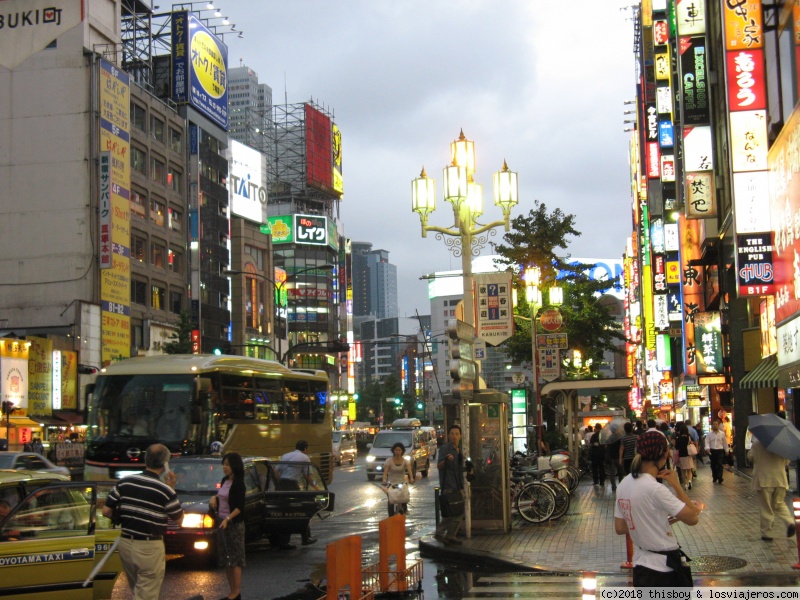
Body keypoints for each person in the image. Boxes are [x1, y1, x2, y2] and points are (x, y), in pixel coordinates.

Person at [614, 431, 701, 587]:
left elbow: (620, 527)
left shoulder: (624, 484)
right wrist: (676, 485)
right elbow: (693, 518)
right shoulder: (655, 489)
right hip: (664, 569)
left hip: (641, 565)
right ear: (664, 453)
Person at [102, 444, 183, 600]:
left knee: (137, 590)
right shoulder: (164, 490)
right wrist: (172, 488)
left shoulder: (125, 482)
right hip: (149, 547)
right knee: (147, 593)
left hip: (126, 543)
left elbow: (106, 511)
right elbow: (179, 519)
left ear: (145, 460)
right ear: (165, 463)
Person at [750, 412, 796, 542]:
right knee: (779, 504)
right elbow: (787, 461)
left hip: (763, 480)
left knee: (766, 507)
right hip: (780, 479)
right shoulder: (783, 445)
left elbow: (751, 457)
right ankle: (789, 522)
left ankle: (767, 532)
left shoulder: (757, 444)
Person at [209, 453, 245, 600]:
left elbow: (239, 507)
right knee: (226, 559)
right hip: (222, 522)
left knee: (235, 559)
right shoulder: (225, 480)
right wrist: (214, 497)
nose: (225, 467)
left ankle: (236, 592)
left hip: (234, 525)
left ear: (234, 466)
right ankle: (231, 591)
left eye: (228, 465)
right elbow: (221, 497)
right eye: (224, 464)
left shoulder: (239, 483)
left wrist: (228, 519)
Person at [278, 440, 317, 546]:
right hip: (292, 486)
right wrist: (316, 487)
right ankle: (306, 537)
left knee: (284, 513)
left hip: (281, 486)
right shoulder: (304, 457)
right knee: (301, 511)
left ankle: (283, 541)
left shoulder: (285, 455)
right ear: (305, 449)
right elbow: (308, 476)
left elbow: (277, 471)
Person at [434, 425, 465, 546]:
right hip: (448, 484)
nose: (454, 436)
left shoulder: (459, 449)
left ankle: (451, 535)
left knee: (458, 510)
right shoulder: (445, 449)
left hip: (458, 484)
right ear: (448, 435)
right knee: (451, 510)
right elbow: (439, 466)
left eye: (457, 434)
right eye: (452, 434)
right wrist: (446, 460)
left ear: (460, 436)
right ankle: (440, 532)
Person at [381, 442, 414, 516]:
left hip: (402, 483)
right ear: (393, 451)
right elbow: (385, 473)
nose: (397, 452)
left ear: (402, 451)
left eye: (399, 450)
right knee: (391, 500)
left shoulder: (405, 461)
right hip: (391, 483)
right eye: (396, 450)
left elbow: (409, 471)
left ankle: (404, 509)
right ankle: (391, 515)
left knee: (404, 497)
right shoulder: (389, 461)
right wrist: (384, 480)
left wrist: (411, 478)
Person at [705, 418, 728, 484]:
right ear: (712, 425)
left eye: (716, 424)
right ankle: (715, 477)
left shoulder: (722, 434)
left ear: (718, 425)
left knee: (720, 464)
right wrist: (707, 448)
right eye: (714, 424)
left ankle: (720, 477)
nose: (715, 425)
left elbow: (725, 442)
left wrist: (726, 450)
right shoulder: (709, 434)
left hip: (720, 450)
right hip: (712, 450)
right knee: (713, 464)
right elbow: (707, 442)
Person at [674, 422, 694, 490]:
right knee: (689, 470)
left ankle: (685, 485)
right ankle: (689, 481)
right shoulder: (688, 437)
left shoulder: (678, 438)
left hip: (681, 456)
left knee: (683, 471)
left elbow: (676, 447)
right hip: (688, 455)